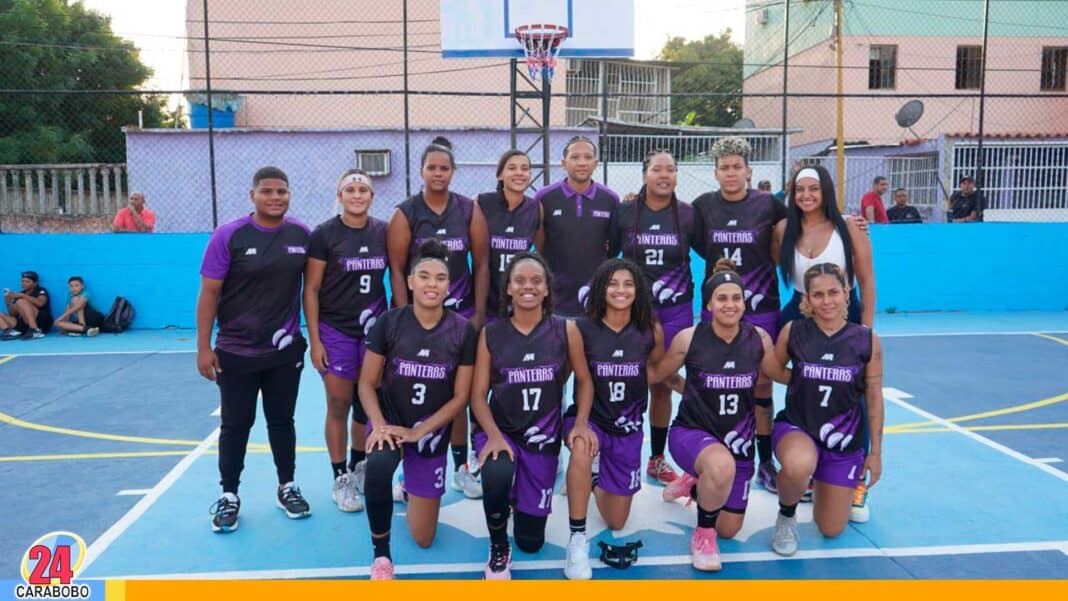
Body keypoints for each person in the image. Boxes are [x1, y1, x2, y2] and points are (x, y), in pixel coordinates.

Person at [196, 166, 312, 533]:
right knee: (236, 425)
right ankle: (229, 495)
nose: (275, 197)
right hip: (236, 351)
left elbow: (313, 289)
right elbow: (209, 293)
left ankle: (287, 486)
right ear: (253, 196)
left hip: (284, 351)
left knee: (282, 421)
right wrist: (203, 347)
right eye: (267, 191)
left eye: (282, 191)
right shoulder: (228, 236)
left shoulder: (301, 235)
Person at [651, 259, 787, 571]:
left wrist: (821, 370)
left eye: (736, 298)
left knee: (730, 528)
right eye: (722, 298)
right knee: (718, 469)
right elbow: (657, 373)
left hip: (738, 444)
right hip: (691, 433)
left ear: (744, 301)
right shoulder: (690, 338)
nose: (730, 304)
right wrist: (679, 384)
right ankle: (703, 534)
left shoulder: (759, 339)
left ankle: (696, 483)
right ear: (709, 304)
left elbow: (779, 374)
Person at [470, 252, 595, 580]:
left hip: (543, 438)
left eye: (536, 281)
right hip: (502, 430)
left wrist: (580, 421)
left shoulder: (565, 331)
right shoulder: (491, 334)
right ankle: (498, 547)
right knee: (497, 471)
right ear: (508, 288)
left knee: (531, 541)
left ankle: (518, 499)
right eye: (520, 281)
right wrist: (493, 435)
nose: (529, 286)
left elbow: (583, 380)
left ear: (546, 289)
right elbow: (477, 396)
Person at [358, 240, 478, 580]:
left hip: (431, 432)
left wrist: (419, 432)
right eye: (424, 276)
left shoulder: (462, 330)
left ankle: (410, 485)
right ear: (410, 281)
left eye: (440, 278)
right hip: (391, 421)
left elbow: (461, 397)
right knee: (378, 468)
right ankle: (382, 558)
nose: (432, 284)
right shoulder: (390, 322)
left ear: (449, 284)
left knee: (424, 538)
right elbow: (367, 383)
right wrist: (379, 426)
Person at [387, 136, 489, 499]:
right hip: (419, 320)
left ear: (453, 172)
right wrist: (404, 316)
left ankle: (462, 465)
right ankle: (406, 473)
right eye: (432, 167)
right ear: (421, 171)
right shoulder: (405, 213)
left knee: (456, 396)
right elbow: (397, 269)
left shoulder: (468, 211)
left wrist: (477, 314)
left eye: (444, 168)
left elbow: (482, 264)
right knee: (413, 394)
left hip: (458, 319)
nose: (438, 173)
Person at [776, 165, 877, 521]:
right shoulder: (784, 230)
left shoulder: (849, 228)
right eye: (799, 189)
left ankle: (857, 484)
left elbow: (866, 280)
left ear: (826, 191)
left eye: (813, 189)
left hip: (843, 314)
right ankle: (801, 464)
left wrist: (863, 333)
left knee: (856, 392)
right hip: (801, 310)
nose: (806, 195)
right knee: (792, 383)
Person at [767, 263, 884, 557]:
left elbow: (873, 396)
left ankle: (823, 479)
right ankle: (786, 515)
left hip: (843, 442)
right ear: (807, 299)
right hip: (798, 427)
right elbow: (771, 368)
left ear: (847, 293)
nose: (827, 300)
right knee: (798, 464)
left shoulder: (866, 339)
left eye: (833, 292)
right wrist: (797, 377)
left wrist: (876, 452)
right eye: (818, 295)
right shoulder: (793, 331)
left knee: (831, 529)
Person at [692, 137, 785, 494]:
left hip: (761, 309)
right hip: (716, 309)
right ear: (715, 172)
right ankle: (708, 458)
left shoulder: (769, 206)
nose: (731, 173)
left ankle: (764, 461)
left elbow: (800, 229)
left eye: (737, 167)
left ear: (749, 170)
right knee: (710, 384)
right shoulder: (702, 207)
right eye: (724, 167)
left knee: (761, 385)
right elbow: (700, 245)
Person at [562, 259, 663, 579]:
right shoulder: (580, 328)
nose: (620, 290)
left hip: (628, 426)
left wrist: (692, 385)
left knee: (616, 521)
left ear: (639, 290)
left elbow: (655, 374)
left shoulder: (650, 330)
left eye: (628, 284)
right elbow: (570, 379)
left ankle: (592, 479)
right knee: (580, 448)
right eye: (613, 283)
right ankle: (577, 538)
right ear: (600, 289)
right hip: (588, 419)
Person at [304, 169, 387, 513]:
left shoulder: (383, 231)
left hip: (374, 328)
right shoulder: (325, 234)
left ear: (371, 196)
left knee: (366, 403)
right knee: (338, 403)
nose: (356, 195)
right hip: (336, 329)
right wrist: (315, 339)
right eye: (350, 189)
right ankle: (340, 477)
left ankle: (360, 466)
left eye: (362, 189)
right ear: (340, 195)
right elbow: (310, 288)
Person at [608, 149, 694, 485]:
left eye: (670, 169)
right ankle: (611, 451)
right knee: (619, 379)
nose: (664, 175)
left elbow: (713, 249)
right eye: (657, 169)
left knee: (661, 385)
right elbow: (610, 254)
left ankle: (657, 458)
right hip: (632, 309)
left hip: (675, 309)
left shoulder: (688, 215)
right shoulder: (625, 212)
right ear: (644, 174)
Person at [535, 136, 620, 318]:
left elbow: (613, 247)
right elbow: (540, 245)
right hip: (555, 301)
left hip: (596, 301)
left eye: (588, 157)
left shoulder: (611, 199)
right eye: (575, 157)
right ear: (563, 163)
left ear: (596, 163)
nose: (582, 163)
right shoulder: (545, 197)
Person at [475, 150, 539, 326]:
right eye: (512, 168)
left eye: (524, 169)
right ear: (500, 175)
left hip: (519, 303)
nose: (519, 173)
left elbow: (542, 250)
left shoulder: (535, 209)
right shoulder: (481, 203)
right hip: (485, 302)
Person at [1, 271, 53, 340]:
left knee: (21, 301)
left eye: (27, 282)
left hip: (41, 322)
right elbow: (13, 314)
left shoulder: (40, 290)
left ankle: (35, 330)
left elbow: (41, 303)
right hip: (25, 325)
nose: (24, 283)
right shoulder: (19, 294)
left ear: (35, 283)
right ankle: (8, 331)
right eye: (22, 281)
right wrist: (8, 303)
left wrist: (22, 296)